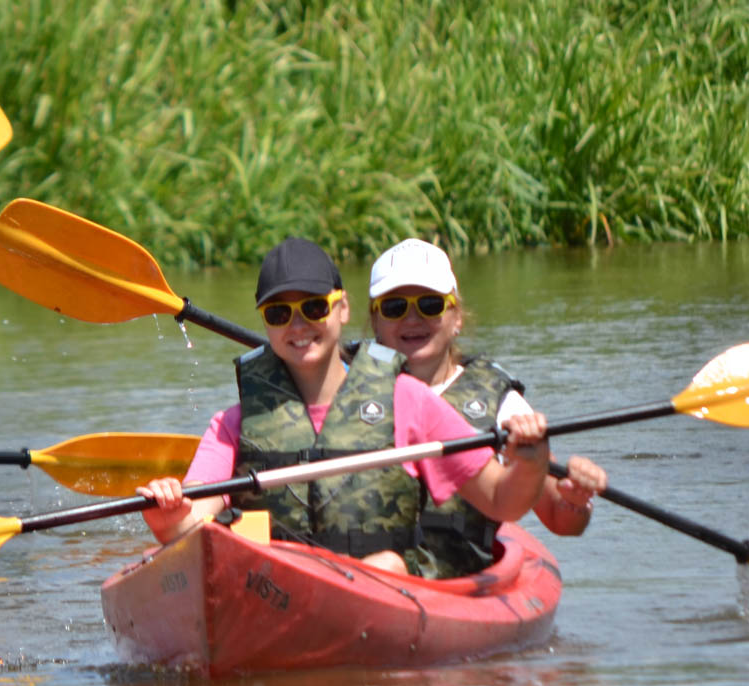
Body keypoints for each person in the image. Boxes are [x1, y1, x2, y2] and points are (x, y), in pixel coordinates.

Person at [137, 237, 553, 579]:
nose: (298, 326)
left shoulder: (407, 400)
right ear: (266, 323)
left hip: (382, 593)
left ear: (343, 309)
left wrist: (531, 461)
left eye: (314, 308)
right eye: (280, 313)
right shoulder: (237, 422)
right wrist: (167, 512)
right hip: (276, 591)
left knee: (386, 563)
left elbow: (502, 500)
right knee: (227, 549)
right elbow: (185, 527)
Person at [366, 238, 608, 577]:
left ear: (457, 318)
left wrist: (576, 499)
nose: (412, 318)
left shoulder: (503, 405)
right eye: (394, 307)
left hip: (458, 583)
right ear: (375, 322)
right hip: (367, 574)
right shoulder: (348, 389)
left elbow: (560, 519)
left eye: (430, 304)